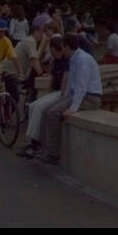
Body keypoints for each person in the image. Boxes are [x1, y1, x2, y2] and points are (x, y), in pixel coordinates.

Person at [19, 35, 102, 163]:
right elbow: (70, 84)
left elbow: (81, 87)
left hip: (90, 97)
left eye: (63, 47)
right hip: (77, 95)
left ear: (67, 47)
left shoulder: (83, 60)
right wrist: (62, 100)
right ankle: (43, 149)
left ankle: (53, 153)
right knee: (46, 110)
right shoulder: (74, 59)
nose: (61, 50)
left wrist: (72, 108)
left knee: (53, 113)